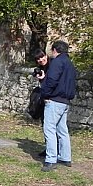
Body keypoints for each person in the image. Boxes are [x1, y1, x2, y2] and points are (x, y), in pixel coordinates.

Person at [37, 40, 76, 172]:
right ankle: (65, 157)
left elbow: (52, 80)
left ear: (54, 50)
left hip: (54, 100)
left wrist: (44, 94)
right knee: (62, 130)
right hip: (65, 101)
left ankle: (51, 159)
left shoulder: (57, 62)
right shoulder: (70, 64)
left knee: (49, 129)